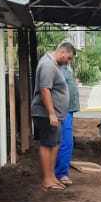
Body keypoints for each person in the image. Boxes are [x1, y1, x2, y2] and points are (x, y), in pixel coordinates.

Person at [30, 40, 76, 189]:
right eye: (68, 58)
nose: (68, 62)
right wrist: (51, 113)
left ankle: (52, 177)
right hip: (46, 114)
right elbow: (45, 89)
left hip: (56, 115)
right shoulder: (48, 66)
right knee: (47, 144)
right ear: (62, 52)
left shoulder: (53, 65)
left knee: (55, 144)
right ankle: (47, 180)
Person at [55, 58, 81, 186]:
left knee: (65, 141)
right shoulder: (54, 68)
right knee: (65, 141)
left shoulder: (64, 68)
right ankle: (61, 173)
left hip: (66, 110)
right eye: (70, 57)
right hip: (61, 111)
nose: (71, 60)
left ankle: (60, 172)